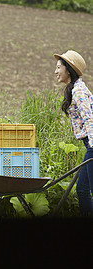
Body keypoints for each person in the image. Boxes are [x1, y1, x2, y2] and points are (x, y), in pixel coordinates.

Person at [54, 50, 92, 216]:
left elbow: (89, 119)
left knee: (85, 190)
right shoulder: (75, 88)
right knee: (82, 190)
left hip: (92, 143)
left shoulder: (78, 91)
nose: (55, 71)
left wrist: (92, 145)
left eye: (58, 67)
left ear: (68, 69)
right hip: (90, 144)